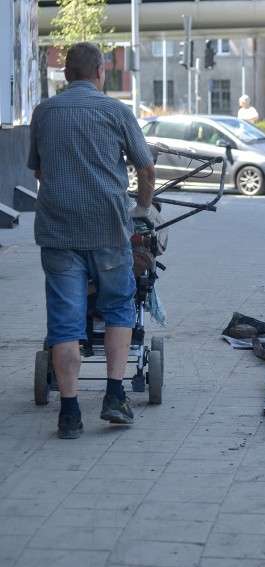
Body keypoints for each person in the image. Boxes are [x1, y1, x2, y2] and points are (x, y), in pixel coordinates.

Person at [27, 42, 157, 439]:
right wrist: (142, 208)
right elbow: (146, 169)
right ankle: (114, 397)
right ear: (101, 71)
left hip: (59, 232)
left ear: (66, 74)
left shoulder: (44, 112)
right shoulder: (117, 111)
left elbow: (40, 174)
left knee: (65, 323)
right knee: (119, 307)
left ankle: (69, 413)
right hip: (108, 230)